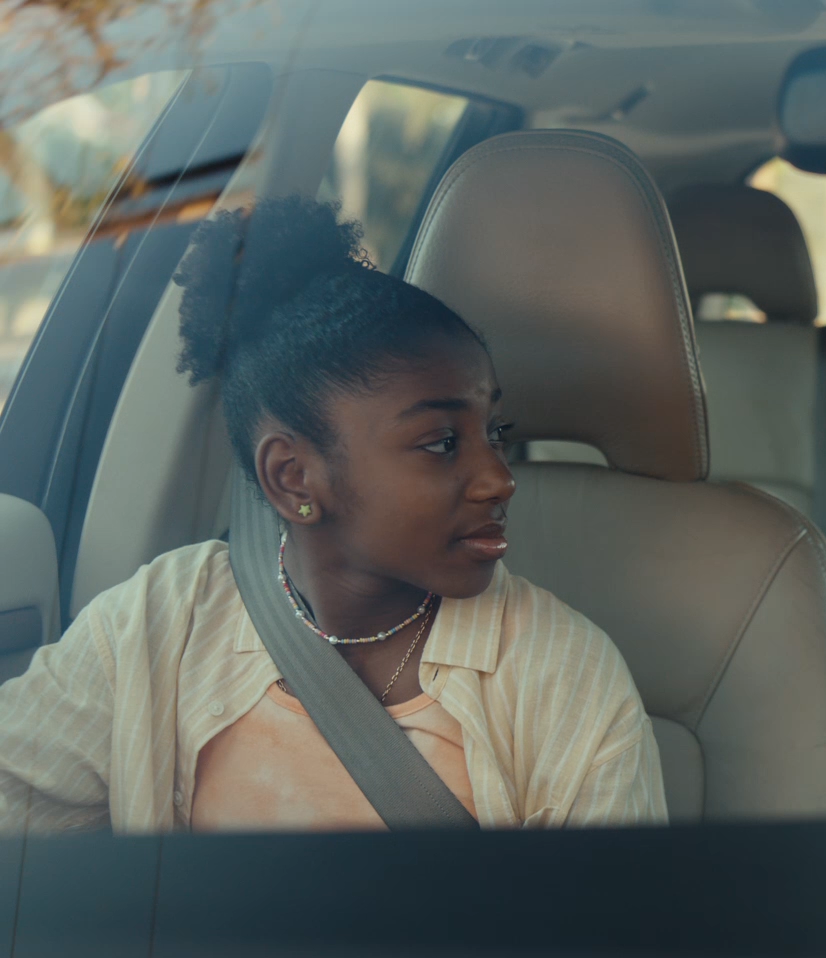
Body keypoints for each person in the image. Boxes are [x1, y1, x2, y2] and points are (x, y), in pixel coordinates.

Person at [0, 196, 667, 831]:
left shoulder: (561, 672)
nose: (499, 479)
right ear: (293, 479)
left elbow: (610, 938)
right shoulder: (158, 624)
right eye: (441, 443)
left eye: (497, 431)